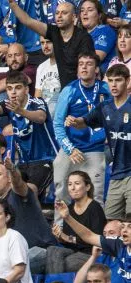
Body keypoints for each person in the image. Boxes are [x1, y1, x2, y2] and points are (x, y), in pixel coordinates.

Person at [67, 63, 131, 219]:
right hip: (117, 173)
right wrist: (75, 121)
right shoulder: (105, 107)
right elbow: (85, 121)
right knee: (109, 223)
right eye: (110, 80)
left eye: (118, 80)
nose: (114, 85)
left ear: (128, 81)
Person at [53, 55, 109, 205]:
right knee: (60, 186)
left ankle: (96, 228)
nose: (84, 67)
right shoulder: (69, 90)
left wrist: (107, 136)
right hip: (71, 147)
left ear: (96, 69)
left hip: (95, 148)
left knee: (96, 196)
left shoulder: (106, 89)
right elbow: (58, 123)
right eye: (81, 64)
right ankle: (60, 225)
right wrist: (69, 148)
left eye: (89, 64)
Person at [10, 0, 95, 86]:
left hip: (81, 87)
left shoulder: (84, 38)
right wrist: (12, 4)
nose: (59, 16)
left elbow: (86, 67)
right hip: (65, 89)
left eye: (64, 13)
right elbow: (27, 21)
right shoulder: (54, 31)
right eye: (57, 13)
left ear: (73, 17)